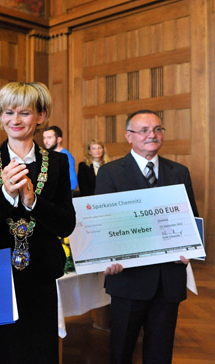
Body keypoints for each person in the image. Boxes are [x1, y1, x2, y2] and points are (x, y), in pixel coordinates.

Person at [0, 82, 76, 364]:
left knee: (36, 351)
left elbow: (66, 225)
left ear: (41, 116)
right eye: (8, 112)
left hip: (39, 275)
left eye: (24, 113)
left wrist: (32, 202)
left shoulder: (59, 163)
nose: (15, 120)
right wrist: (5, 194)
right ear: (0, 115)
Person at [95, 110, 198, 364]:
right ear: (129, 136)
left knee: (160, 353)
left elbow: (191, 219)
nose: (152, 135)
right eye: (144, 130)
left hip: (168, 279)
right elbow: (103, 224)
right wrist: (107, 256)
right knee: (121, 351)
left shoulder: (179, 172)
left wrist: (191, 248)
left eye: (158, 129)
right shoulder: (110, 172)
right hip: (128, 278)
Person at [43, 125, 78, 191]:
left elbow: (73, 183)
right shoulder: (47, 155)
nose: (46, 141)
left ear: (59, 139)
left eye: (49, 138)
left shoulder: (66, 156)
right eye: (44, 138)